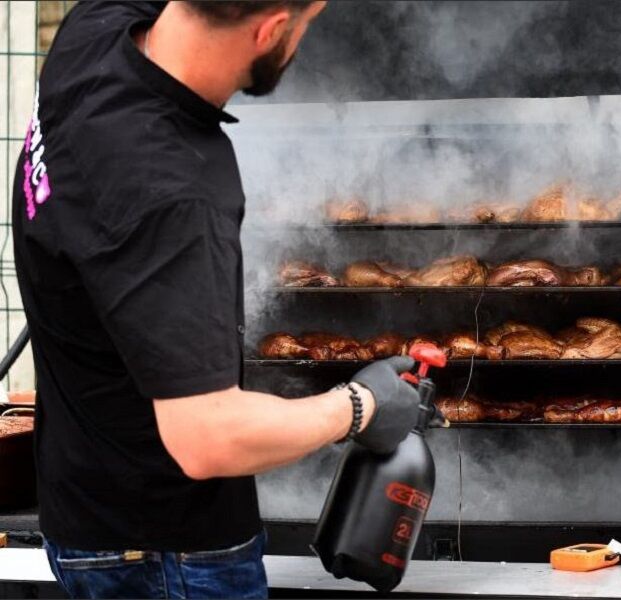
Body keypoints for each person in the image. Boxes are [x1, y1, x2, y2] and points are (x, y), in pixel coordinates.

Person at [11, 2, 422, 598]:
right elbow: (207, 439)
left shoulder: (93, 28)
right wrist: (359, 405)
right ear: (270, 29)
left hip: (85, 503)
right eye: (305, 24)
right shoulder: (175, 196)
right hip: (166, 556)